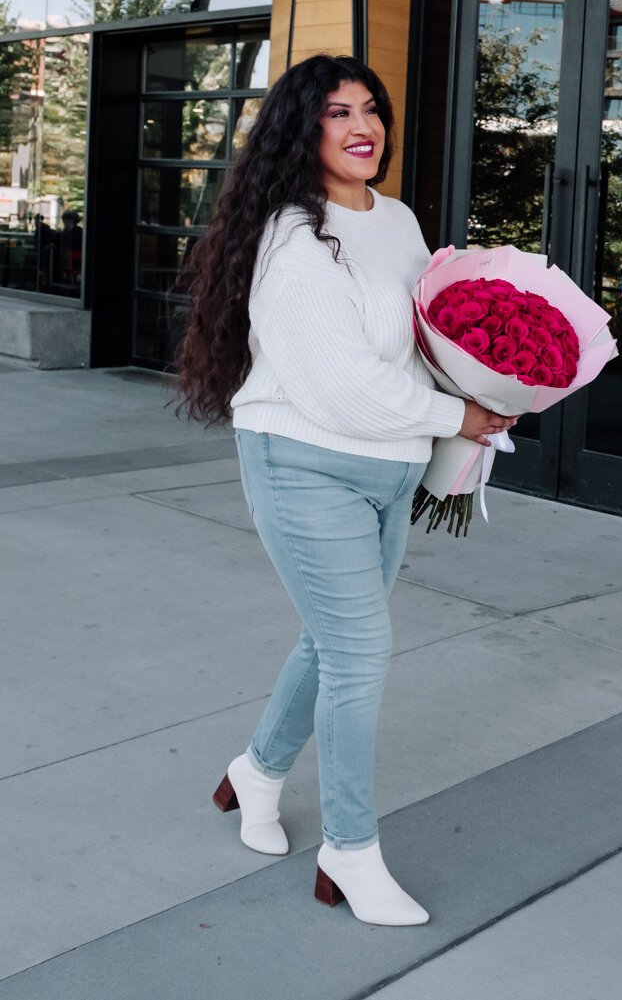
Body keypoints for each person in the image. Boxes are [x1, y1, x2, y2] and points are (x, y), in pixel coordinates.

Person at [175, 54, 515, 926]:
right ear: (303, 128)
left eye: (372, 109)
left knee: (332, 643)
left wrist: (490, 382)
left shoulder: (394, 219)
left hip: (391, 467)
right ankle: (349, 853)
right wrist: (458, 415)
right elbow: (343, 389)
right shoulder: (291, 237)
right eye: (337, 111)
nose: (363, 125)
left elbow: (414, 344)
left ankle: (252, 774)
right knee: (360, 652)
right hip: (305, 462)